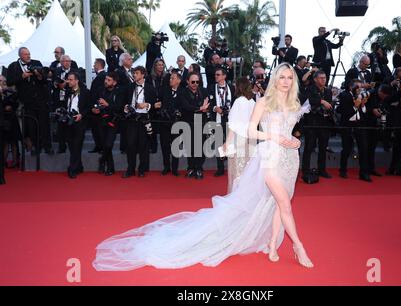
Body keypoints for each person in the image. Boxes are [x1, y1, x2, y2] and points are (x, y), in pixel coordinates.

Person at [92, 63, 313, 271]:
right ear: (275, 80)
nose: (285, 81)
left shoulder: (294, 104)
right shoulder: (264, 102)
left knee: (277, 203)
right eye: (281, 77)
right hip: (270, 157)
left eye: (289, 77)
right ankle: (299, 246)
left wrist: (297, 141)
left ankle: (273, 243)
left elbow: (291, 132)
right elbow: (252, 131)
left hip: (290, 158)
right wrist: (273, 136)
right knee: (285, 204)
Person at [7, 47, 53, 155]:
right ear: (20, 55)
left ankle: (47, 147)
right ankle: (36, 147)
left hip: (41, 99)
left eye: (29, 54)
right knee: (31, 125)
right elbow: (9, 82)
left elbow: (45, 79)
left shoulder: (36, 63)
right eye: (25, 54)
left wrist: (39, 76)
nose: (28, 56)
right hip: (26, 101)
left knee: (44, 124)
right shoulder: (13, 66)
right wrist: (22, 76)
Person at [223, 77, 256, 193]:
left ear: (239, 87)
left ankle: (236, 196)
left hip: (238, 140)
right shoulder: (252, 102)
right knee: (247, 171)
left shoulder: (238, 102)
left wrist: (227, 143)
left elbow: (232, 125)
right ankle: (246, 195)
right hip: (251, 140)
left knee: (236, 171)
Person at [122, 66, 152, 179]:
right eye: (134, 73)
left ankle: (142, 169)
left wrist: (147, 105)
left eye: (137, 73)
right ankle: (130, 169)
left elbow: (154, 104)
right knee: (130, 145)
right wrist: (125, 107)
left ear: (143, 74)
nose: (134, 75)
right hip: (131, 119)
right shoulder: (129, 87)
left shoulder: (150, 88)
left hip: (144, 118)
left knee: (143, 146)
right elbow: (124, 101)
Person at [179, 72, 210, 180]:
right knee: (190, 146)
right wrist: (200, 108)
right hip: (188, 122)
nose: (195, 84)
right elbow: (186, 106)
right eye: (193, 82)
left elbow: (208, 105)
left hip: (201, 122)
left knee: (201, 147)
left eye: (197, 81)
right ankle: (191, 167)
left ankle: (199, 168)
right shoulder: (183, 92)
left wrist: (205, 108)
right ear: (187, 81)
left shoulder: (203, 91)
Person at [208, 67, 235, 177]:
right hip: (217, 119)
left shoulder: (232, 88)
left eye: (218, 74)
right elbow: (208, 103)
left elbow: (235, 102)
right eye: (215, 75)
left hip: (230, 119)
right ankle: (220, 168)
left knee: (230, 143)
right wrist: (215, 108)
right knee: (219, 143)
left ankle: (232, 167)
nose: (216, 76)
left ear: (224, 76)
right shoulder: (210, 88)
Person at [62, 72, 90, 179]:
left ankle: (72, 169)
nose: (68, 81)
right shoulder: (67, 92)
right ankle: (79, 166)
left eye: (71, 79)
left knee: (77, 145)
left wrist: (81, 114)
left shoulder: (85, 92)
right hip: (68, 122)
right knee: (71, 145)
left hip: (80, 122)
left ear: (77, 80)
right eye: (68, 79)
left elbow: (88, 107)